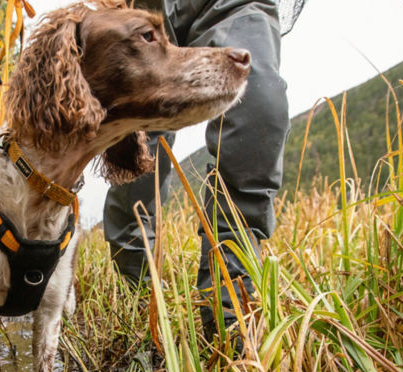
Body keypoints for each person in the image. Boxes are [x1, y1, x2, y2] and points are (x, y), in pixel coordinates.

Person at [103, 0, 303, 339]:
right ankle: (139, 303)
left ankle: (228, 320)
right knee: (135, 152)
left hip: (233, 5)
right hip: (146, 6)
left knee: (259, 101)